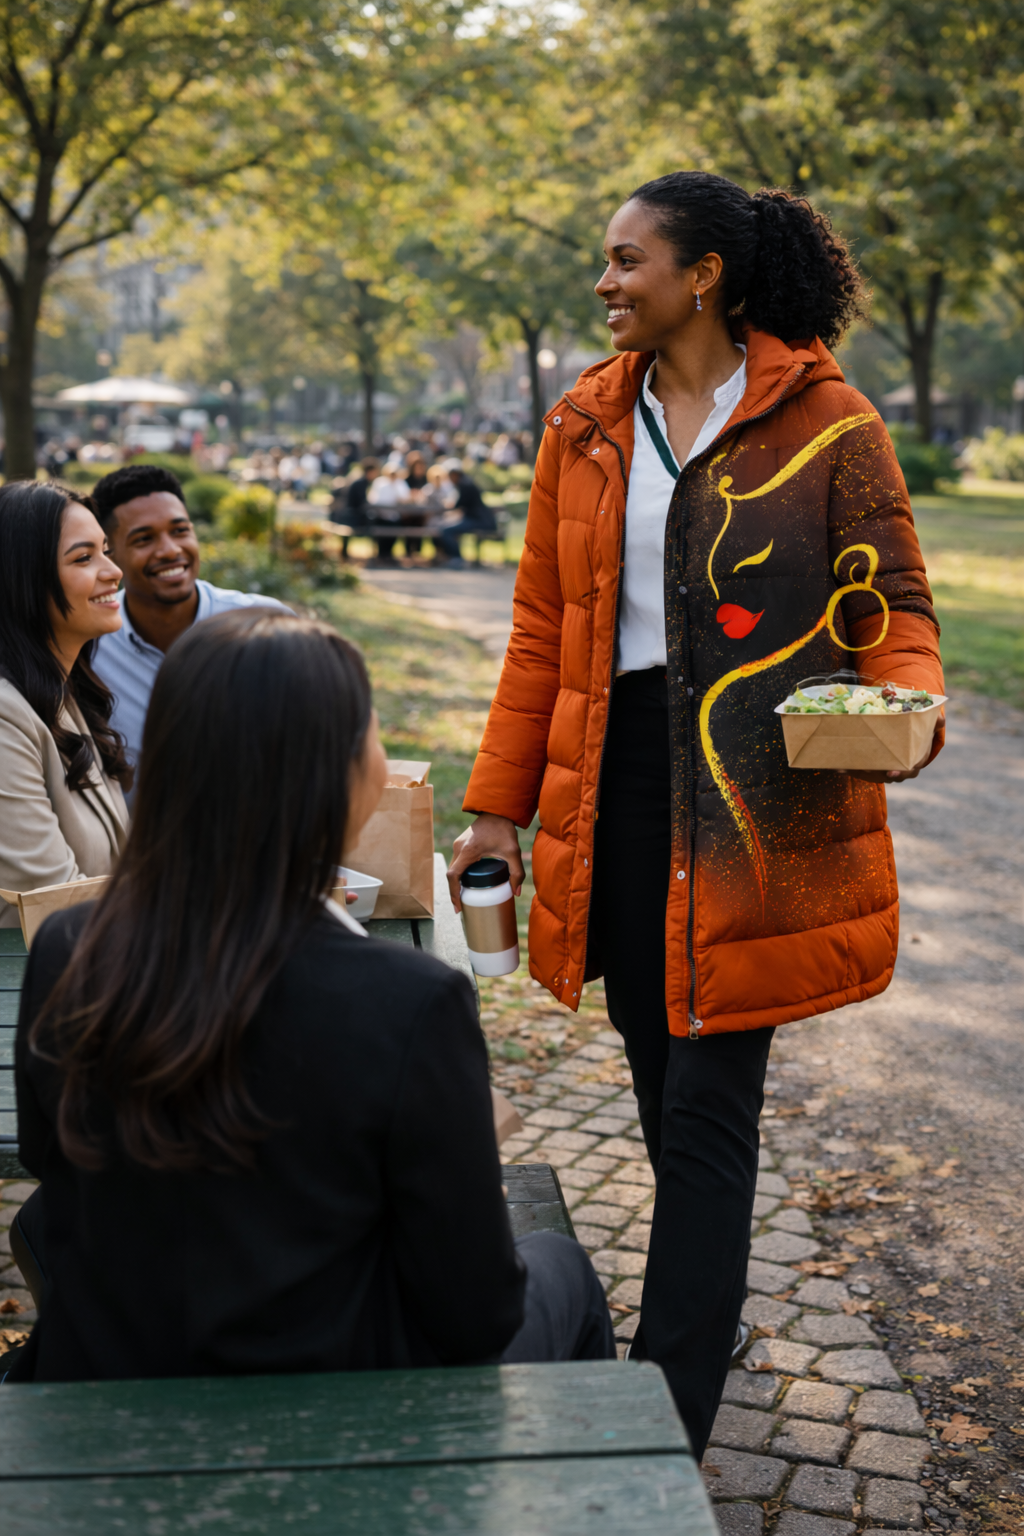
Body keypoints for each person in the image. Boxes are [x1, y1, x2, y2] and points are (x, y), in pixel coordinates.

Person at [446, 171, 945, 1456]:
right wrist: (496, 809)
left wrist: (906, 704)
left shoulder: (830, 420)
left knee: (708, 1106)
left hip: (755, 799)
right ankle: (704, 1298)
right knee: (656, 1072)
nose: (604, 283)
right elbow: (540, 634)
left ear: (703, 274)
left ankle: (660, 1420)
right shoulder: (584, 425)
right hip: (611, 792)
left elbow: (892, 596)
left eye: (625, 261)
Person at [5, 609, 614, 1382]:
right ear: (340, 773)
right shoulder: (411, 1001)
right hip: (336, 1400)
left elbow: (50, 1161)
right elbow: (476, 1318)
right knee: (562, 1267)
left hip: (122, 1365)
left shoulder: (68, 946)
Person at [89, 464, 288, 793]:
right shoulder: (89, 647)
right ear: (110, 554)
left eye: (180, 530)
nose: (170, 550)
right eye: (144, 538)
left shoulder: (268, 625)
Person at [0, 482, 130, 925]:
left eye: (105, 550)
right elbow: (56, 902)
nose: (113, 570)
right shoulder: (5, 716)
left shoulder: (61, 695)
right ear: (24, 581)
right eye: (84, 558)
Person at [436, 464, 498, 567]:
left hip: (478, 521)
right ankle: (453, 557)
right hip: (477, 519)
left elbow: (459, 504)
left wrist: (449, 505)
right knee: (447, 528)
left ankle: (456, 558)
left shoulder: (465, 485)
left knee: (446, 531)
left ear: (455, 475)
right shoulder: (467, 483)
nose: (450, 480)